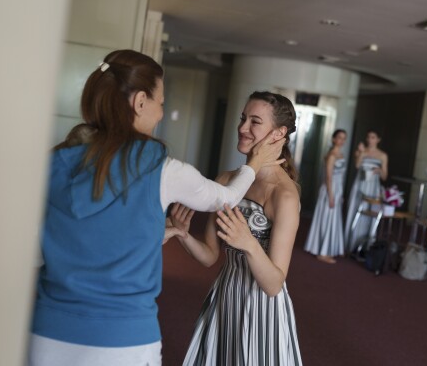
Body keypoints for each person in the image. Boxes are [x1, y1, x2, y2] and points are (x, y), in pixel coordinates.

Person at [28, 50, 284, 366]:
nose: (162, 113)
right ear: (139, 103)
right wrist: (256, 163)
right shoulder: (162, 169)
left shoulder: (54, 163)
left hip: (47, 331)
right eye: (161, 103)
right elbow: (227, 199)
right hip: (124, 339)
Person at [165, 91, 303, 365]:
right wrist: (183, 234)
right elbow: (209, 256)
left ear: (279, 133)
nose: (242, 128)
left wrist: (249, 243)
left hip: (262, 306)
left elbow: (274, 284)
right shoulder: (227, 179)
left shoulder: (284, 195)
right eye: (243, 119)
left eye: (254, 121)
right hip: (226, 295)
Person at [303, 129, 347, 264]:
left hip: (337, 189)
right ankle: (322, 252)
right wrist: (331, 195)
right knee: (327, 218)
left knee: (332, 219)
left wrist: (340, 194)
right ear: (334, 139)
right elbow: (328, 177)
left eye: (344, 138)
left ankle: (327, 249)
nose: (342, 140)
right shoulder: (331, 155)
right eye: (339, 137)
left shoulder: (341, 154)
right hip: (330, 189)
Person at [344, 130, 388, 253]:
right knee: (355, 210)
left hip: (374, 187)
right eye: (368, 137)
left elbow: (385, 176)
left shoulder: (382, 155)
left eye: (373, 137)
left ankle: (366, 247)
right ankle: (350, 244)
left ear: (378, 139)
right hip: (360, 184)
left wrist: (379, 170)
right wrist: (362, 153)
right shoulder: (361, 151)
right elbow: (357, 166)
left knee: (371, 214)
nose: (370, 139)